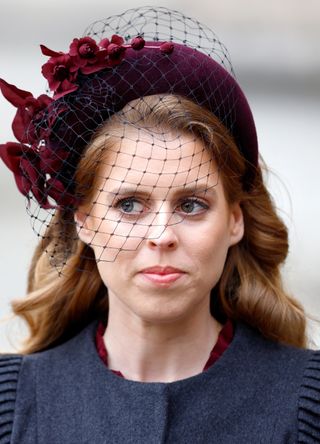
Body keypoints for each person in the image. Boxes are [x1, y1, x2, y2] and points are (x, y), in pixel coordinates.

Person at [0, 6, 319, 444]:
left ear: (235, 220)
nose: (162, 235)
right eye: (130, 205)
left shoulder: (308, 402)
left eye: (191, 204)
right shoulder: (14, 403)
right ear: (85, 222)